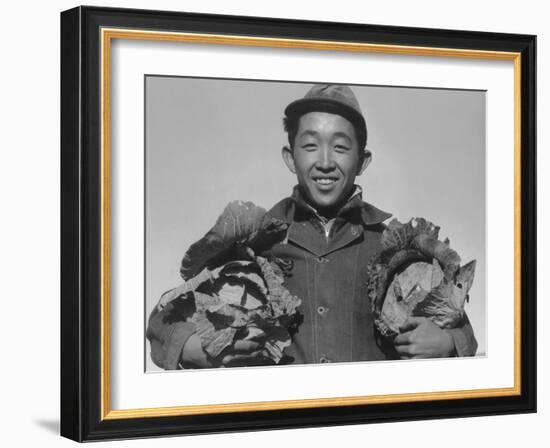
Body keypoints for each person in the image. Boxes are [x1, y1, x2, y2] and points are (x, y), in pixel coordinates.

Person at [146, 84, 478, 369]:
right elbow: (164, 320)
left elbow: (463, 333)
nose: (324, 161)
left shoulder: (393, 249)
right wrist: (199, 346)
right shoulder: (253, 243)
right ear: (290, 157)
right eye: (310, 145)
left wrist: (449, 343)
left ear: (362, 161)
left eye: (340, 146)